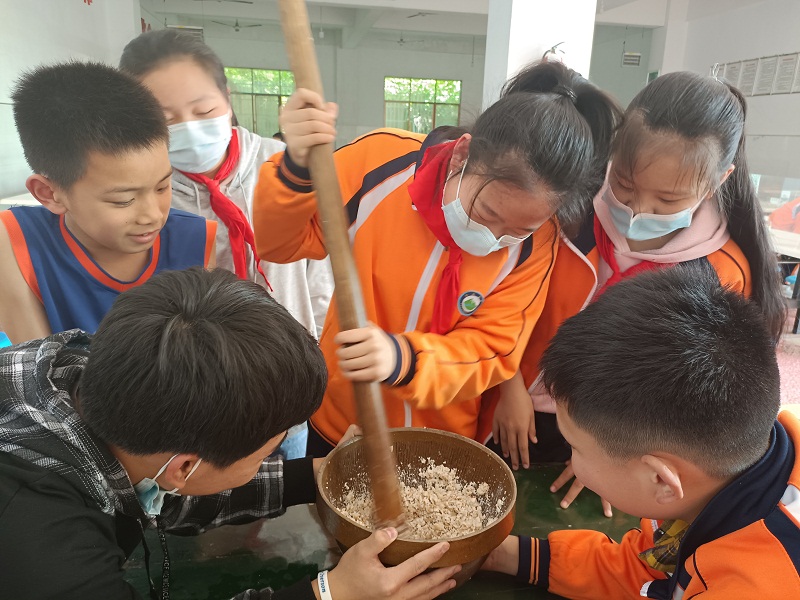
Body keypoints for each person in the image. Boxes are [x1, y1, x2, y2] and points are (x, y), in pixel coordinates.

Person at [0, 267, 460, 600]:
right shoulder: (46, 550)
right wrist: (328, 593)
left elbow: (172, 488)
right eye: (265, 455)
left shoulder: (95, 381)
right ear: (184, 466)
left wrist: (316, 474)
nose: (267, 460)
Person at [252, 62, 622, 456]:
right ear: (462, 154)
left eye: (519, 229)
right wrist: (295, 170)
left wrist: (403, 360)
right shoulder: (379, 163)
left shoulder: (538, 243)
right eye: (487, 212)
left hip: (441, 438)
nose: (494, 238)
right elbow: (279, 244)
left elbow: (491, 350)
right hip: (342, 420)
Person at [485, 70, 785, 516]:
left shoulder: (722, 273)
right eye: (625, 184)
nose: (638, 209)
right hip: (507, 404)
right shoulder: (568, 212)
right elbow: (502, 300)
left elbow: (681, 394)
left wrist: (610, 465)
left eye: (667, 201)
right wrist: (507, 385)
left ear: (719, 179)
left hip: (612, 438)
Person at [482, 265, 800, 598]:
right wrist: (498, 554)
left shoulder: (749, 586)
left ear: (661, 479)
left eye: (574, 447)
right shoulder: (710, 482)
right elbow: (643, 570)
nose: (572, 462)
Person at [120, 29, 335, 460]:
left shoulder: (285, 167)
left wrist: (319, 353)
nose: (189, 127)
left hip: (287, 372)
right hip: (202, 388)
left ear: (227, 97)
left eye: (203, 110)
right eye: (165, 119)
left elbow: (319, 274)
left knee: (289, 470)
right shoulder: (145, 194)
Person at [0, 61, 216, 344]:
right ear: (49, 193)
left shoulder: (195, 240)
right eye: (123, 200)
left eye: (163, 186)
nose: (153, 216)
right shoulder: (15, 242)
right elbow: (37, 365)